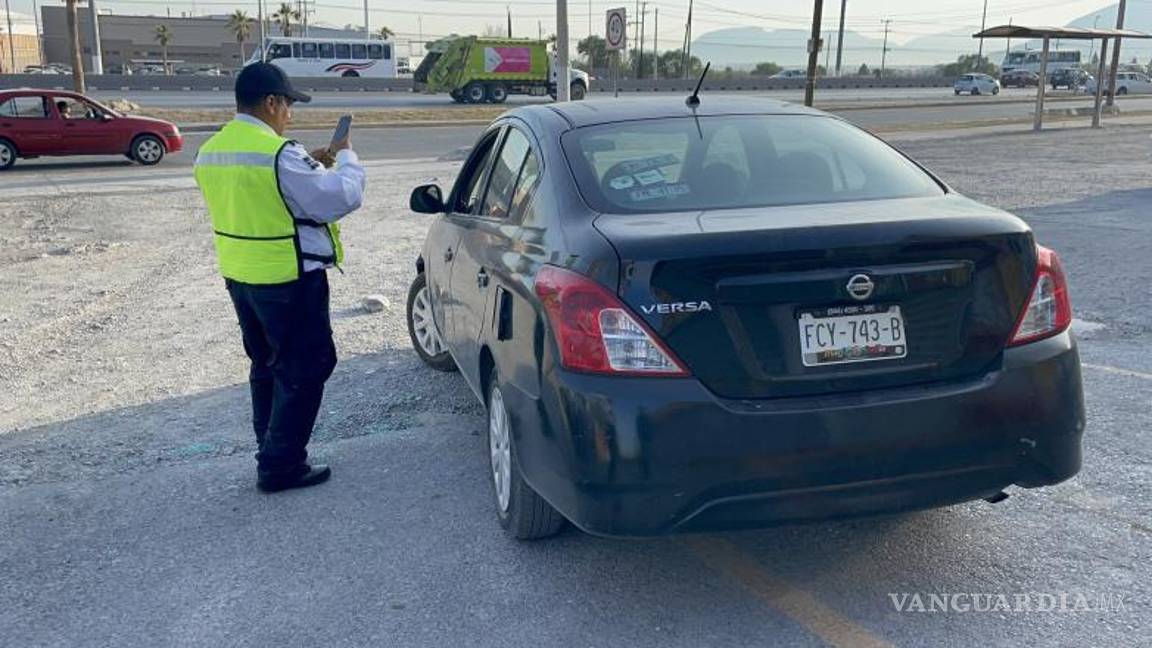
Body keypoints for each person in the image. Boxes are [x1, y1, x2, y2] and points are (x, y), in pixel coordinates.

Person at [193, 63, 366, 493]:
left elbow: (262, 192)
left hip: (241, 277)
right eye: (288, 104)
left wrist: (309, 162)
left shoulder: (213, 148)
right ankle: (280, 465)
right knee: (307, 368)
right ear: (271, 102)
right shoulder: (278, 154)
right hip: (287, 278)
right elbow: (339, 198)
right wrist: (344, 155)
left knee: (267, 366)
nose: (290, 114)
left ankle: (269, 447)